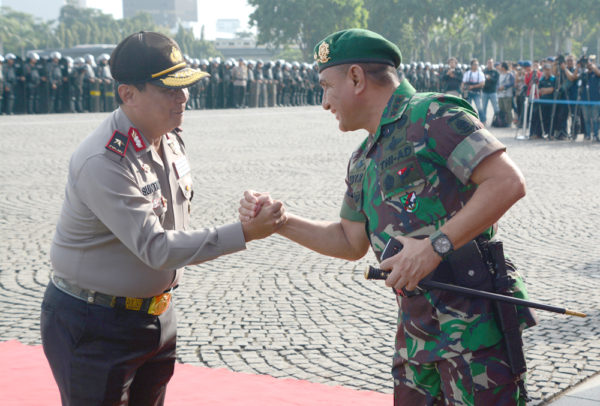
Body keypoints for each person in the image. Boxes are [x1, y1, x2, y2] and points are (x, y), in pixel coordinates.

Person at [240, 28, 536, 405]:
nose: (324, 102)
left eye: (327, 86)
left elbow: (507, 181)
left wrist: (433, 248)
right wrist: (281, 222)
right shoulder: (363, 157)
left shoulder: (433, 115)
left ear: (356, 78)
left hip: (474, 335)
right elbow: (350, 241)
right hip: (416, 337)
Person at [40, 31, 286, 406]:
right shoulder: (104, 160)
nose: (183, 96)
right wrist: (244, 233)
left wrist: (248, 212)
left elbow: (175, 217)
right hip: (94, 324)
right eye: (170, 89)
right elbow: (155, 247)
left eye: (184, 86)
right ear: (128, 94)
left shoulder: (167, 137)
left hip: (155, 317)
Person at [481, 58, 500, 124]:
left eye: (491, 63)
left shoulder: (496, 72)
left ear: (493, 63)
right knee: (484, 107)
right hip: (485, 92)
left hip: (493, 92)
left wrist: (490, 78)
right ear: (487, 63)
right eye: (488, 63)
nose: (490, 64)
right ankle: (483, 121)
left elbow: (496, 81)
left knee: (496, 108)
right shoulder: (484, 71)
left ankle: (497, 120)